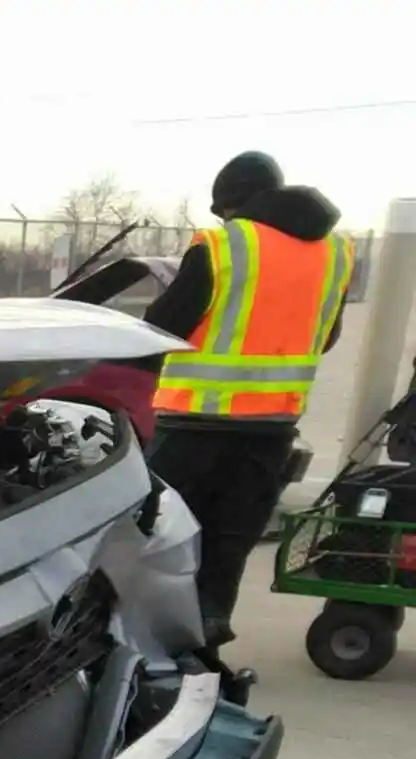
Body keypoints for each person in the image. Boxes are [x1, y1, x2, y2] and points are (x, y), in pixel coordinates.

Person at [142, 152, 355, 647]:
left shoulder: (224, 246)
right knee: (231, 540)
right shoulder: (336, 253)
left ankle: (152, 649)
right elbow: (326, 337)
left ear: (233, 204)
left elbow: (162, 326)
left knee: (161, 535)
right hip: (273, 429)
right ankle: (207, 634)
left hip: (194, 422)